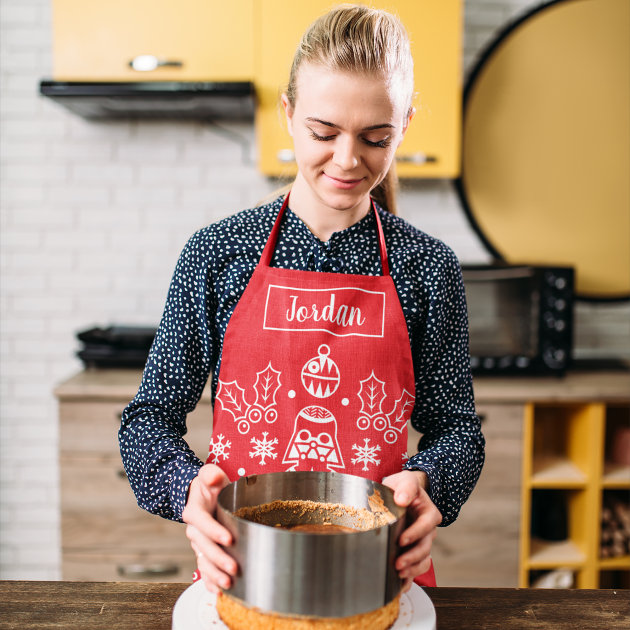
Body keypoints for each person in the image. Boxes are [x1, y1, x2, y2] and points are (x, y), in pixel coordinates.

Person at [119, 4, 484, 595]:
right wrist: (189, 491)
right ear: (288, 115)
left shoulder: (427, 268)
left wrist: (433, 487)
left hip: (376, 572)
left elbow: (458, 431)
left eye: (375, 138)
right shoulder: (218, 253)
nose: (347, 160)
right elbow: (147, 423)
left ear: (405, 126)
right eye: (323, 132)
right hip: (245, 569)